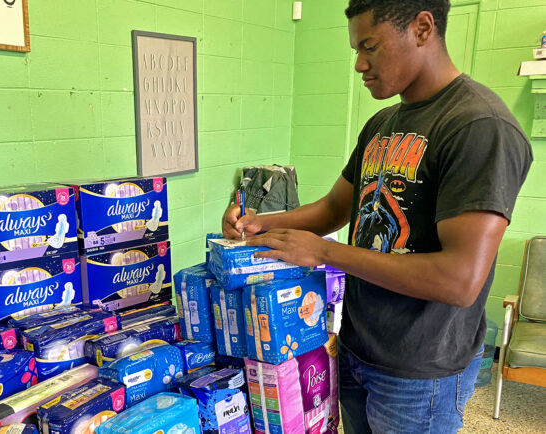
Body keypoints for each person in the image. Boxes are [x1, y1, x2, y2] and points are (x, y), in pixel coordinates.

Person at [221, 1, 532, 432]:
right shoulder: (383, 123)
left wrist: (328, 253)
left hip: (419, 372)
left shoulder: (478, 126)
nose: (359, 65)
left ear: (423, 28)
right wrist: (262, 223)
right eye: (355, 50)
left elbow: (459, 280)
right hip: (356, 347)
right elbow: (334, 208)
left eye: (370, 46)